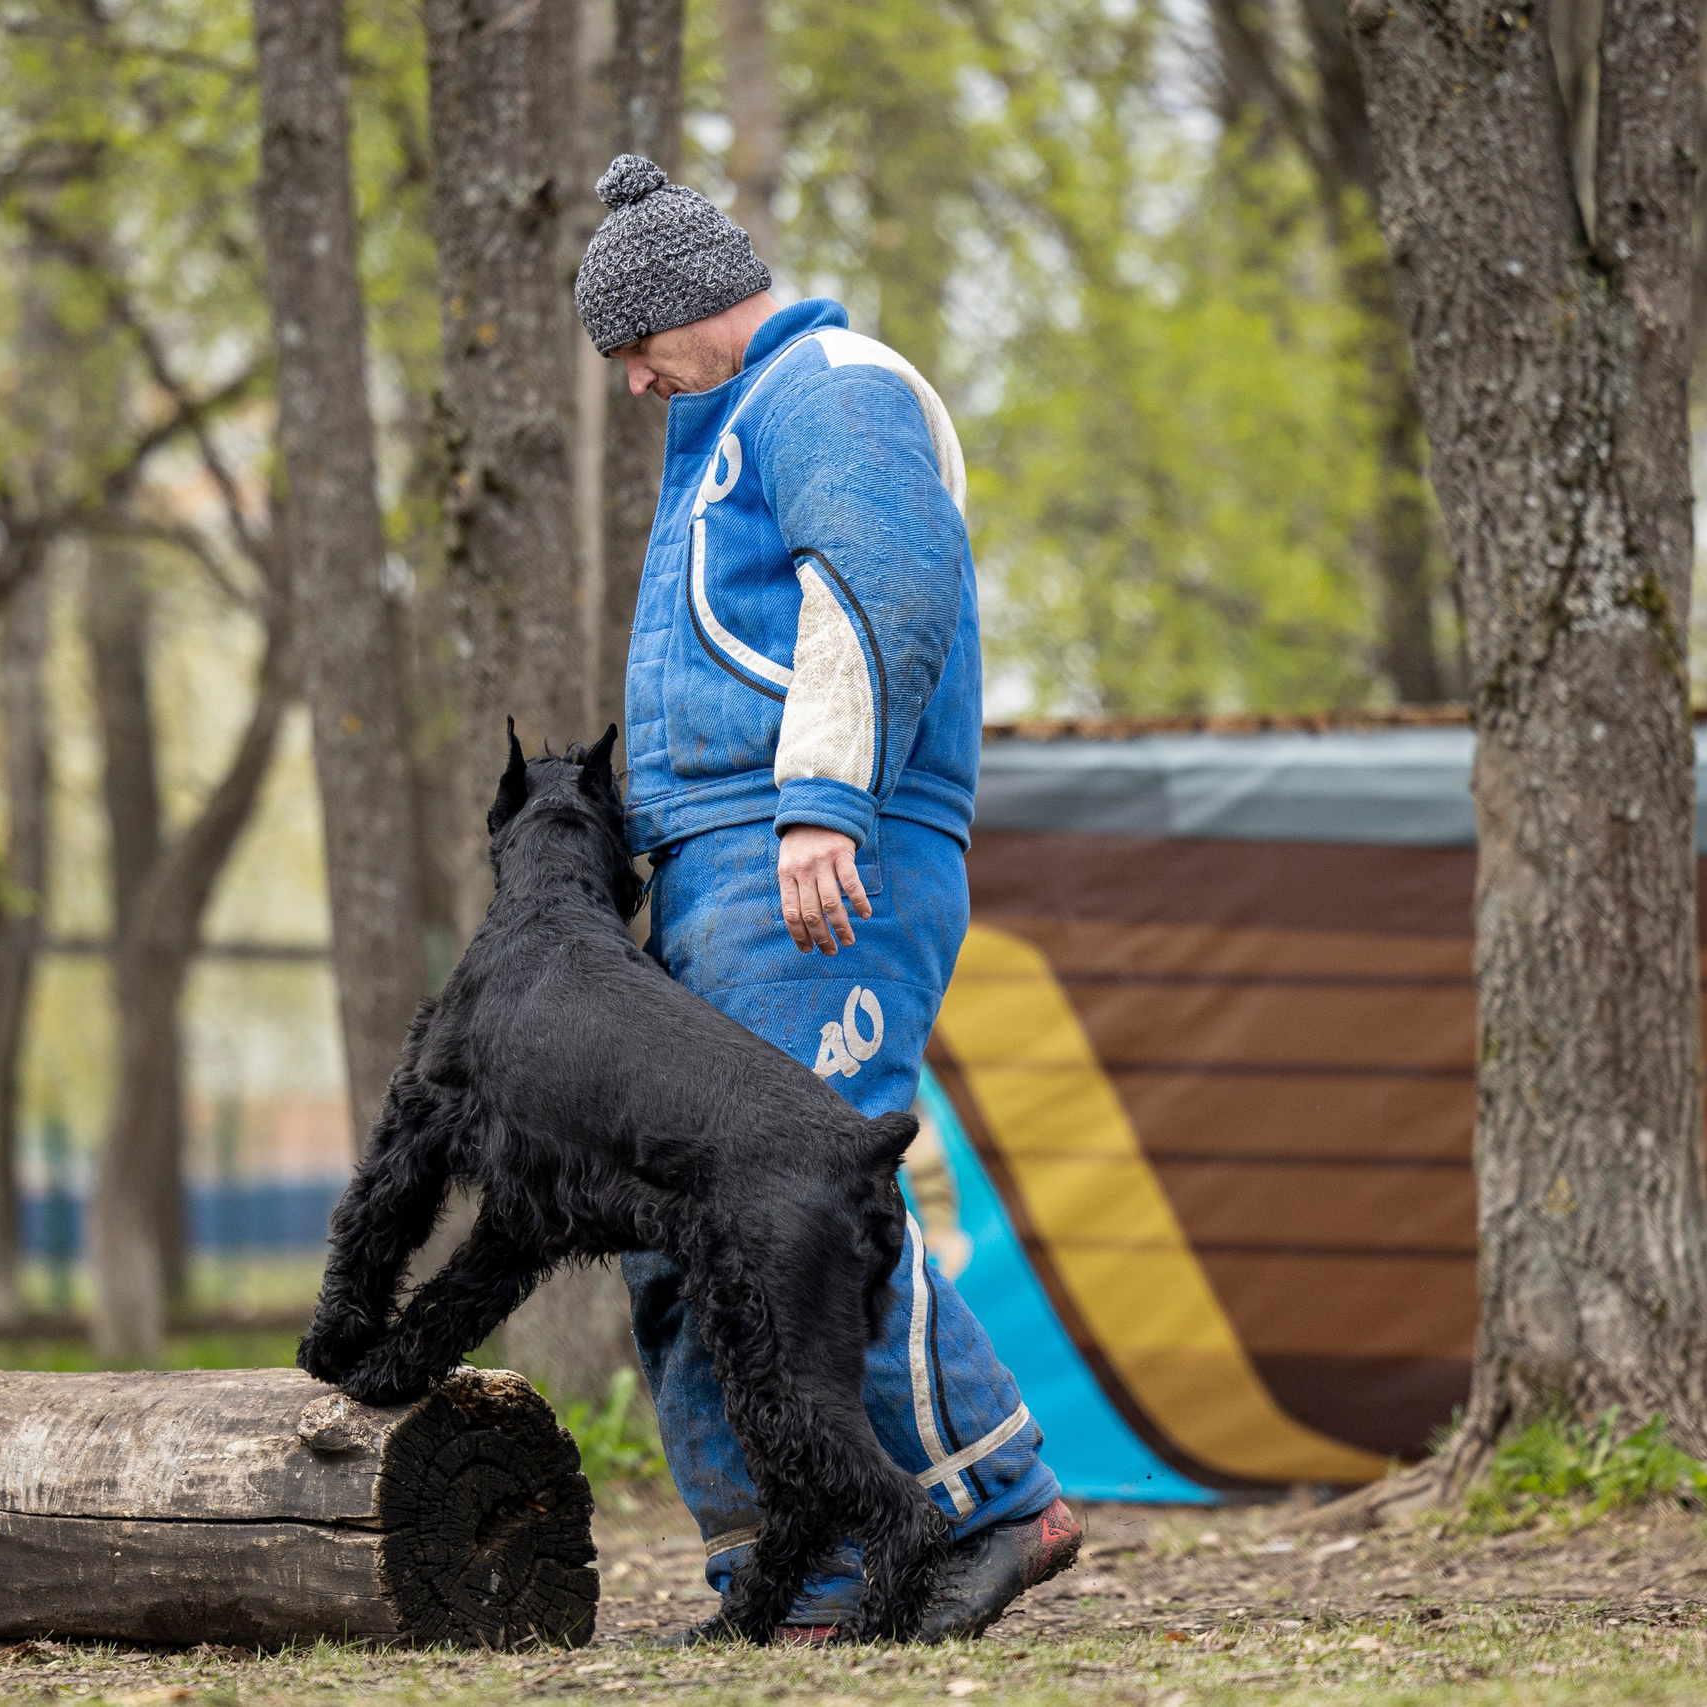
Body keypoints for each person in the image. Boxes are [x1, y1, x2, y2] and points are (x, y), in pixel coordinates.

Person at [572, 153, 1081, 1643]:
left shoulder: (833, 388)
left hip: (816, 855)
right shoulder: (739, 418)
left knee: (801, 1209)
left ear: (692, 305)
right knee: (693, 1216)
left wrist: (819, 809)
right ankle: (799, 1566)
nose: (630, 384)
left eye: (635, 350)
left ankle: (990, 1501)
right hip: (728, 861)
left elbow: (882, 590)